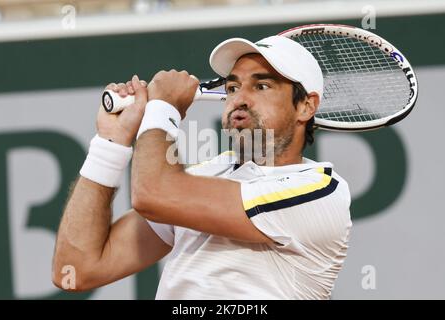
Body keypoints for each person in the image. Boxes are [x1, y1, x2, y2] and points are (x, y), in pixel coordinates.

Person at [52, 35, 352, 299]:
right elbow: (77, 269)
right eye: (233, 87)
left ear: (306, 106)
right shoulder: (204, 175)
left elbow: (152, 195)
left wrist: (162, 108)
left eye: (261, 86)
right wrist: (110, 142)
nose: (240, 99)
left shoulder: (320, 190)